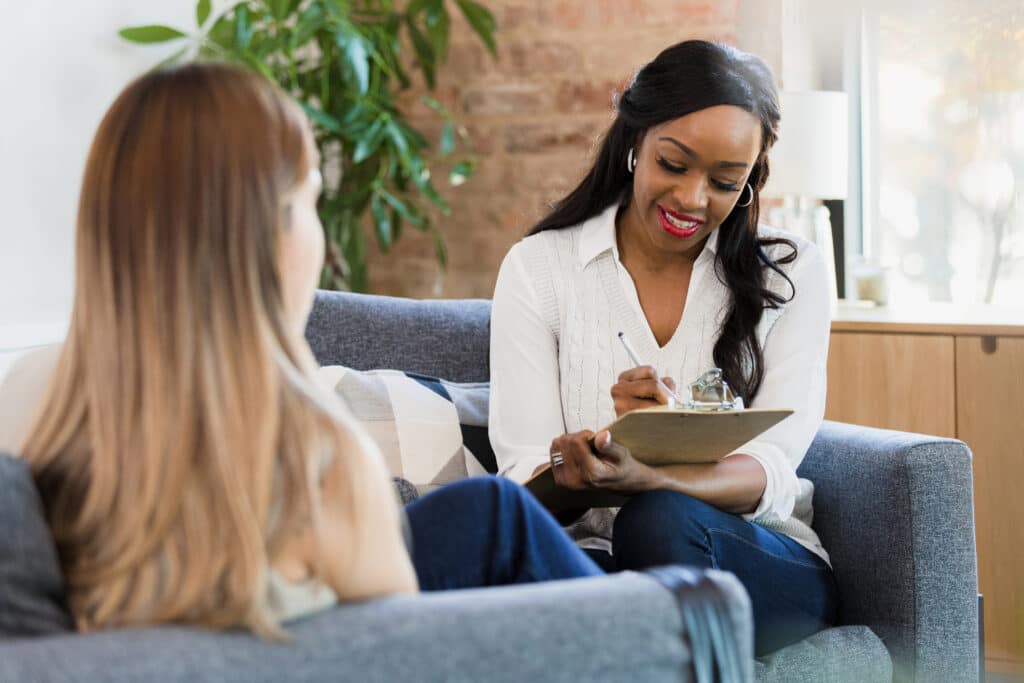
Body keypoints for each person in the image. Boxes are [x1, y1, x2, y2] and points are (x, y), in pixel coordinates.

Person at [7, 62, 600, 638]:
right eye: (309, 202)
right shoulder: (317, 456)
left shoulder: (28, 401)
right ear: (267, 236)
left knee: (488, 511)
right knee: (498, 518)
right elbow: (411, 659)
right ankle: (675, 629)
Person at [489, 40, 837, 656]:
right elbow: (521, 475)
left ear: (750, 181)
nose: (693, 199)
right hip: (593, 564)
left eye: (725, 182)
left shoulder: (793, 274)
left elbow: (774, 470)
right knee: (486, 525)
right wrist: (590, 467)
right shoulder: (539, 269)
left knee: (658, 519)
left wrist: (653, 475)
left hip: (748, 558)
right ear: (634, 144)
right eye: (673, 164)